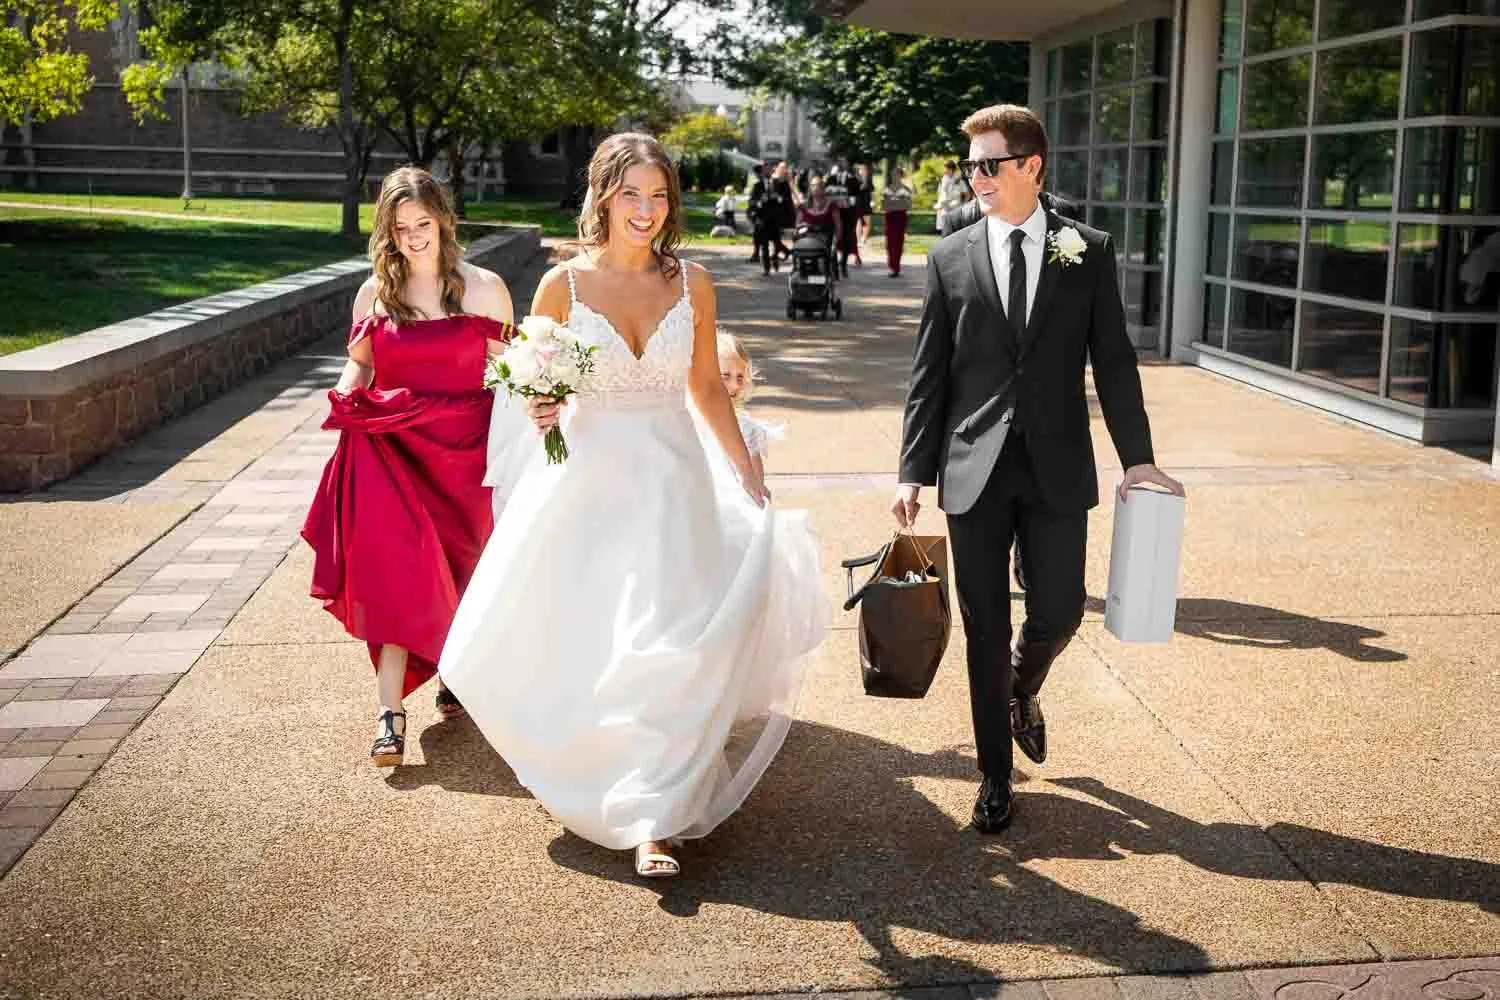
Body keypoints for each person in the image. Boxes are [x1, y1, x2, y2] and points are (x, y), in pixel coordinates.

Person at [437, 133, 827, 880]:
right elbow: (531, 385)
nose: (647, 211)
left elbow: (707, 388)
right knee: (604, 645)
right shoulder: (564, 288)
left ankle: (657, 817)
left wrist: (746, 473)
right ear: (603, 195)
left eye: (659, 196)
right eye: (632, 195)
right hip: (588, 481)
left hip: (674, 479)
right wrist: (542, 405)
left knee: (668, 641)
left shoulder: (694, 282)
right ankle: (607, 778)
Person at [892, 104, 1184, 833]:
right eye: (971, 166)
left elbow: (1113, 363)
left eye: (990, 164)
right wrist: (912, 471)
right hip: (972, 469)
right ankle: (995, 774)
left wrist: (1139, 459)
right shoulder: (949, 256)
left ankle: (1021, 688)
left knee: (1058, 609)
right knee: (983, 623)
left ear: (1031, 167)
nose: (977, 179)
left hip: (1056, 462)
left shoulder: (1086, 251)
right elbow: (931, 374)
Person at [301, 165, 515, 768]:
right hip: (393, 452)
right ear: (386, 233)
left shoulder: (484, 288)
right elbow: (363, 366)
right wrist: (345, 398)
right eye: (400, 228)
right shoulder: (374, 293)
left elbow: (510, 373)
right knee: (397, 579)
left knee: (467, 571)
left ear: (444, 220)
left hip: (466, 453)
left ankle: (458, 673)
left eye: (422, 223)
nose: (414, 236)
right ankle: (388, 714)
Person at [717, 331, 779, 487]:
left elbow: (757, 481)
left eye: (740, 377)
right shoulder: (687, 420)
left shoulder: (745, 428)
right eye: (725, 375)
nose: (735, 385)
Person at [881, 166, 914, 277]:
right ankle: (891, 266)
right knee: (890, 243)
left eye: (897, 174)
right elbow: (884, 205)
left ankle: (896, 267)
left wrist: (894, 204)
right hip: (889, 217)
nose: (894, 176)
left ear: (900, 176)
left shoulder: (906, 189)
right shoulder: (887, 189)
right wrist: (898, 204)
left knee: (898, 243)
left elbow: (908, 205)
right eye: (893, 174)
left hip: (900, 218)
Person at [794, 174, 843, 249]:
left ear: (823, 187)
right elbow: (797, 226)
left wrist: (835, 243)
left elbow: (838, 226)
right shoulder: (803, 206)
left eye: (818, 185)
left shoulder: (831, 205)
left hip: (824, 242)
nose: (816, 188)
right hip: (806, 242)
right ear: (810, 188)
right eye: (813, 185)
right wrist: (803, 225)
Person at [746, 164, 770, 266]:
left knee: (765, 237)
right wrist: (757, 203)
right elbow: (752, 200)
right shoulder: (757, 185)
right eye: (758, 173)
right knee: (757, 235)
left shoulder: (771, 183)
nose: (759, 175)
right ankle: (756, 254)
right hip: (758, 214)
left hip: (769, 214)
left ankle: (764, 257)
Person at [935, 160, 966, 236]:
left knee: (954, 231)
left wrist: (963, 205)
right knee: (944, 230)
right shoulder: (943, 180)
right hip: (944, 208)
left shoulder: (959, 181)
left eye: (946, 169)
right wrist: (939, 204)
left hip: (955, 208)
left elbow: (966, 194)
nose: (945, 171)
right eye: (945, 168)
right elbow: (940, 194)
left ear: (952, 169)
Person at [855, 163, 875, 253]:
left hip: (867, 203)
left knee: (867, 222)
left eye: (865, 170)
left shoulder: (869, 181)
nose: (863, 171)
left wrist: (873, 201)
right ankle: (858, 240)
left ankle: (864, 238)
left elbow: (872, 192)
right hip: (859, 203)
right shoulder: (856, 180)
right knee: (859, 221)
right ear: (859, 171)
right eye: (861, 170)